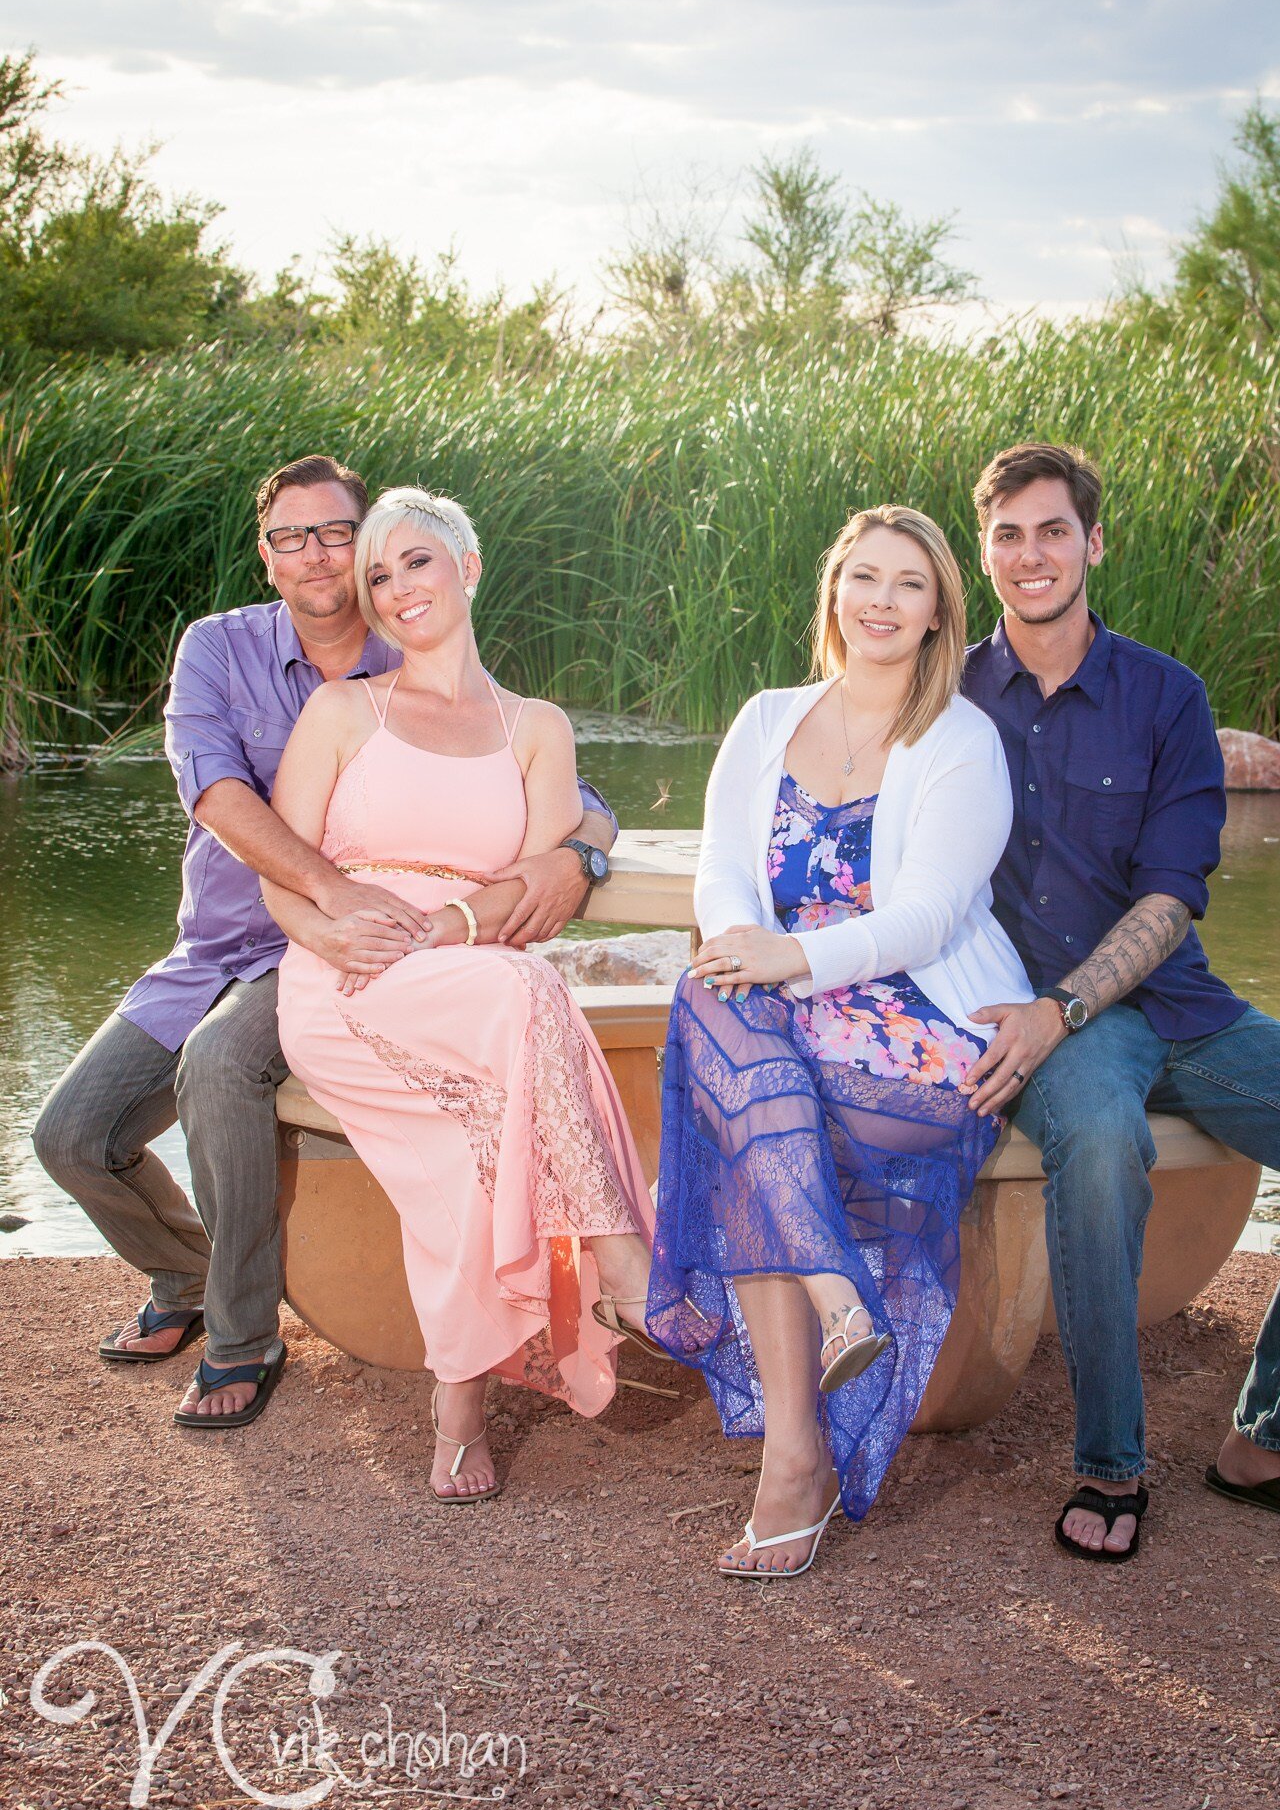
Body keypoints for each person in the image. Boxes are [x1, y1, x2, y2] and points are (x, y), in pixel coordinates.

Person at [32, 455, 618, 1431]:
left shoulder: (413, 644)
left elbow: (559, 786)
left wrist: (581, 855)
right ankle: (186, 1272)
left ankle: (242, 1334)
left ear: (366, 543)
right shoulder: (218, 648)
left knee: (221, 1065)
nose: (314, 553)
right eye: (289, 536)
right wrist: (332, 885)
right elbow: (216, 792)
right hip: (220, 944)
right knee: (72, 1137)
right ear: (265, 556)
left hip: (338, 958)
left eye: (336, 533)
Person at [960, 441, 1280, 1559]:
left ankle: (1272, 1440)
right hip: (1032, 1017)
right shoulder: (947, 698)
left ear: (1093, 543)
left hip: (1168, 1003)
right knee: (1099, 1143)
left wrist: (1067, 1006)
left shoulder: (1166, 695)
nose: (1031, 555)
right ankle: (1110, 1461)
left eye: (1053, 531)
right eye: (1007, 534)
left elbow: (1171, 896)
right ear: (983, 551)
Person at [647, 505, 1032, 1577]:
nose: (881, 600)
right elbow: (722, 866)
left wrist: (787, 959)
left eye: (909, 584)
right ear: (834, 592)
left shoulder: (960, 739)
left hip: (917, 1016)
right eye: (864, 576)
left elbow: (928, 917)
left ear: (938, 613)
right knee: (710, 999)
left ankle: (796, 1459)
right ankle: (815, 1382)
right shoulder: (768, 716)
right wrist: (743, 944)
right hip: (784, 1008)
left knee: (746, 1113)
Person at [264, 486, 655, 1501]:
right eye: (378, 575)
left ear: (468, 568)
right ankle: (623, 1259)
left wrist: (466, 917)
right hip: (349, 976)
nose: (397, 587)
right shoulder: (343, 711)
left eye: (417, 561)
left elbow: (540, 893)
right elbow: (281, 874)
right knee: (525, 991)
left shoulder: (537, 728)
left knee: (485, 1129)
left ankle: (459, 1411)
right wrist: (331, 933)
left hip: (474, 974)